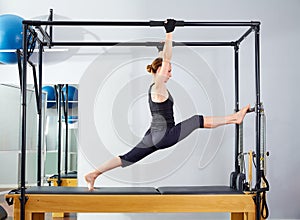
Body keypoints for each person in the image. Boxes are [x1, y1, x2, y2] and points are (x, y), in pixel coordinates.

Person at [85, 19, 250, 191]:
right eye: (168, 71)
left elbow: (163, 58)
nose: (171, 74)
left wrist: (161, 48)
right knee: (196, 120)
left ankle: (94, 174)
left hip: (153, 135)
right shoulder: (158, 86)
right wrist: (169, 32)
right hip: (163, 135)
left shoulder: (154, 87)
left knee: (127, 157)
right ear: (159, 71)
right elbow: (166, 59)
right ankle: (234, 118)